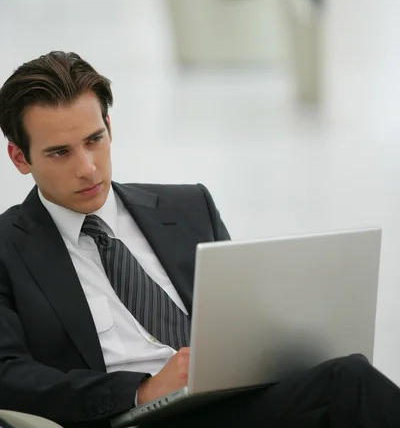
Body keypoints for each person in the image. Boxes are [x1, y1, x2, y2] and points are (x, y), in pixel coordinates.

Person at [0, 51, 399, 428]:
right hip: (131, 416)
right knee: (349, 384)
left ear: (109, 127)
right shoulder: (8, 247)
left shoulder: (189, 206)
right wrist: (142, 390)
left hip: (231, 400)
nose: (87, 168)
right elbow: (8, 374)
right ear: (20, 158)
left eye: (94, 140)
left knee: (346, 373)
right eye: (59, 153)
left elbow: (243, 319)